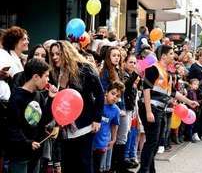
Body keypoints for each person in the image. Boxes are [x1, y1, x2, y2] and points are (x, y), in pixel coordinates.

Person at [137, 44, 198, 173]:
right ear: (163, 56)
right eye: (171, 54)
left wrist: (189, 102)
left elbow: (173, 93)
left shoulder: (167, 74)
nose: (173, 56)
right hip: (151, 108)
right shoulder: (153, 69)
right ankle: (143, 170)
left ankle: (150, 170)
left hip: (160, 109)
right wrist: (148, 111)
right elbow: (146, 90)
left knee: (156, 141)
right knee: (152, 141)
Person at [49, 41, 104, 173]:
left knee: (84, 163)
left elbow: (100, 94)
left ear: (67, 53)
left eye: (58, 53)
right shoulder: (55, 73)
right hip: (65, 128)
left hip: (84, 125)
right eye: (52, 54)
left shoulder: (85, 69)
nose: (55, 57)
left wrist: (97, 119)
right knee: (68, 164)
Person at [6, 59, 56, 173]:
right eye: (46, 76)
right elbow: (13, 128)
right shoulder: (17, 98)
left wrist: (51, 99)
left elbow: (44, 120)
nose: (48, 80)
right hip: (20, 154)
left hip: (35, 154)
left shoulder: (39, 96)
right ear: (36, 77)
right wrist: (27, 143)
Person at [93, 81, 124, 173]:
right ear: (106, 92)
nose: (115, 97)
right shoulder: (97, 102)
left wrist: (113, 139)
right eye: (113, 93)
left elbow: (114, 125)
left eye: (117, 96)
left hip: (102, 142)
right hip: (91, 139)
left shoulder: (116, 110)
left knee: (98, 167)